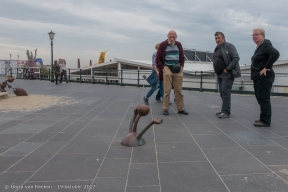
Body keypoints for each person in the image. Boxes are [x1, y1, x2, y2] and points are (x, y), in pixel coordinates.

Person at [251, 28, 279, 127]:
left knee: (263, 98)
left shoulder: (266, 44)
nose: (254, 36)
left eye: (256, 35)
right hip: (258, 77)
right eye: (253, 35)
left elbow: (275, 53)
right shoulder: (260, 47)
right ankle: (263, 118)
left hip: (265, 77)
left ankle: (265, 121)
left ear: (262, 36)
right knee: (260, 98)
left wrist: (266, 67)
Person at [156, 30, 188, 116]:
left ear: (176, 37)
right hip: (167, 67)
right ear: (167, 36)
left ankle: (181, 108)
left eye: (173, 37)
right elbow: (158, 59)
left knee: (179, 90)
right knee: (167, 90)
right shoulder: (163, 45)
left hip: (177, 68)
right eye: (170, 36)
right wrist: (163, 68)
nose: (172, 38)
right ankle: (165, 109)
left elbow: (182, 56)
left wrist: (182, 66)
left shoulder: (179, 44)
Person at [213, 32, 241, 118]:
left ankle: (226, 112)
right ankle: (223, 110)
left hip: (227, 74)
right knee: (222, 92)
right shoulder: (217, 48)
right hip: (220, 74)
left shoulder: (229, 46)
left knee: (225, 92)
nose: (217, 40)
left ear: (224, 38)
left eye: (219, 38)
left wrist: (227, 69)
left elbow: (236, 58)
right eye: (216, 38)